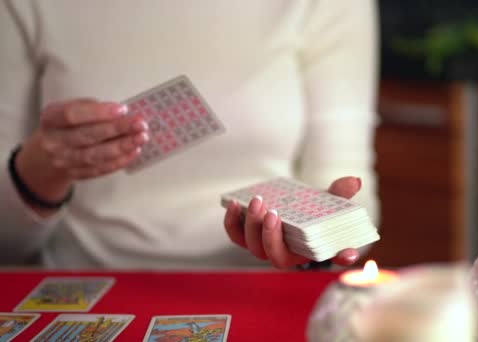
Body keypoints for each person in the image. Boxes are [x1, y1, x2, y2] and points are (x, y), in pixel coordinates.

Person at [0, 0, 380, 269]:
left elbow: (356, 210)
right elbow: (5, 244)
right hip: (85, 286)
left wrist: (322, 245)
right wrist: (39, 169)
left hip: (263, 291)